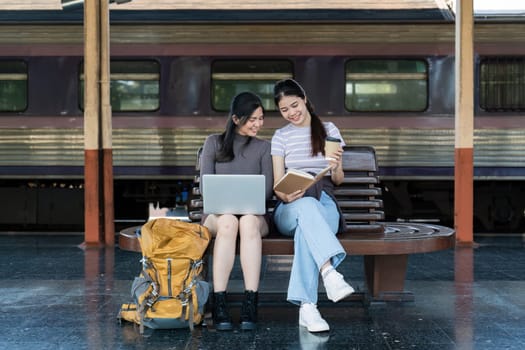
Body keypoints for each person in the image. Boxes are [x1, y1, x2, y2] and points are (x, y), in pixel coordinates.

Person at [271, 79, 354, 333]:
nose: (291, 113)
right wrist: (286, 196)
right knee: (305, 206)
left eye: (294, 105)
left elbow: (337, 180)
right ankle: (329, 273)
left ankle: (307, 307)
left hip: (324, 201)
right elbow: (277, 185)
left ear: (304, 99)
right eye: (284, 110)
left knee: (306, 231)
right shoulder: (280, 136)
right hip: (289, 206)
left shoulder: (328, 129)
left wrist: (336, 164)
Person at [200, 92, 273, 331]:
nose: (258, 124)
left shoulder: (264, 147)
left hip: (254, 216)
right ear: (236, 119)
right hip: (217, 216)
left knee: (249, 221)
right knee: (229, 221)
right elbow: (205, 187)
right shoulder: (213, 142)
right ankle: (219, 301)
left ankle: (250, 302)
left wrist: (247, 204)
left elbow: (267, 190)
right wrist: (226, 209)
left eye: (261, 118)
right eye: (252, 119)